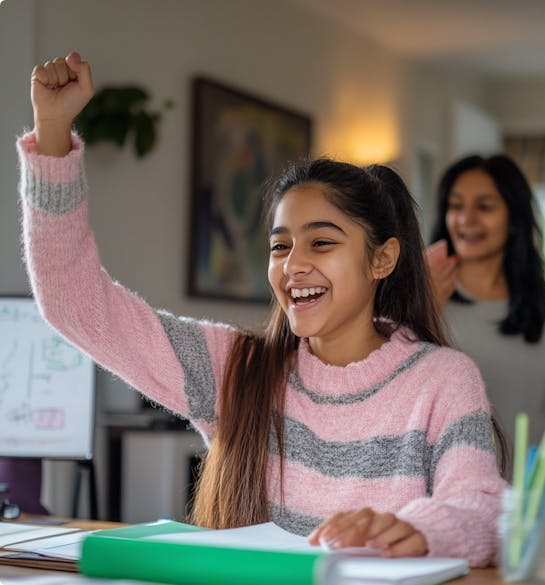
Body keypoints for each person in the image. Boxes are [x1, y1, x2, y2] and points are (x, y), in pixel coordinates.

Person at [17, 52, 506, 566]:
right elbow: (74, 303)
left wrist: (416, 529)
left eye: (321, 243)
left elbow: (480, 509)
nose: (293, 265)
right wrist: (52, 133)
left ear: (382, 258)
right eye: (279, 246)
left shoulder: (442, 380)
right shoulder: (235, 368)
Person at [427, 154, 545, 550]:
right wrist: (423, 309)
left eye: (485, 206)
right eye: (456, 206)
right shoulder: (421, 300)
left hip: (537, 511)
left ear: (514, 217)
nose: (466, 219)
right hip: (450, 513)